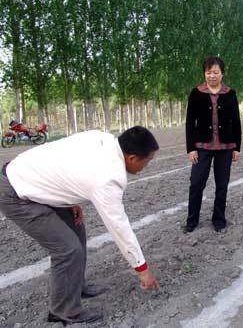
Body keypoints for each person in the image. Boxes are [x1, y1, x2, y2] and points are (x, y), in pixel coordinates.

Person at [0, 126, 160, 324]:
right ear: (133, 158)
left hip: (32, 178)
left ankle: (76, 286)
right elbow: (119, 227)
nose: (148, 165)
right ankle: (63, 310)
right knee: (68, 249)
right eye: (148, 160)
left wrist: (69, 199)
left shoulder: (103, 138)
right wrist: (142, 269)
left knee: (77, 231)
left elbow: (67, 161)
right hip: (16, 192)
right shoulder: (108, 178)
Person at [184, 56, 242, 233]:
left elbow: (236, 121)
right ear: (204, 73)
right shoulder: (196, 93)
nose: (212, 76)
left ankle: (219, 219)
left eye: (215, 72)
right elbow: (189, 122)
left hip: (225, 148)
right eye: (208, 72)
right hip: (202, 147)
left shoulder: (230, 93)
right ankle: (192, 220)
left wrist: (237, 147)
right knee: (196, 184)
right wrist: (191, 148)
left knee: (222, 185)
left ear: (222, 73)